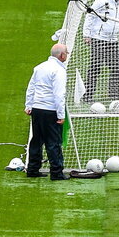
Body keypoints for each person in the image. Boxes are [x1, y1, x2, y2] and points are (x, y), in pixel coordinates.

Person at [24, 44, 70, 179]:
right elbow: (59, 94)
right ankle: (56, 172)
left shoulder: (39, 67)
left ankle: (32, 169)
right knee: (53, 142)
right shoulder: (59, 71)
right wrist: (61, 115)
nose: (67, 55)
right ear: (62, 55)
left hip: (37, 110)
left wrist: (29, 105)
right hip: (50, 111)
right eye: (66, 53)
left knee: (36, 140)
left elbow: (31, 87)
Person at [82, 0, 119, 102]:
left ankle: (114, 94)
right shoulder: (102, 0)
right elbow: (90, 15)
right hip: (99, 38)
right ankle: (88, 95)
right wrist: (86, 34)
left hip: (114, 41)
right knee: (95, 67)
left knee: (117, 68)